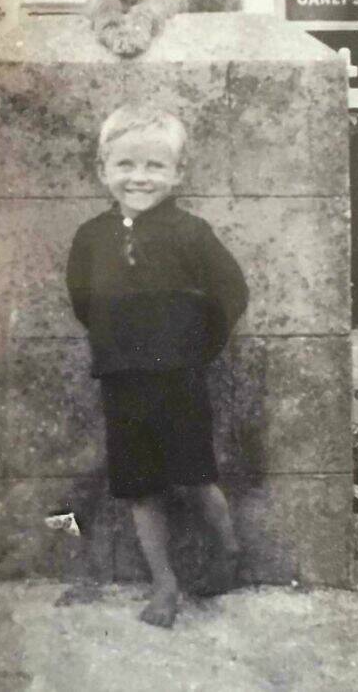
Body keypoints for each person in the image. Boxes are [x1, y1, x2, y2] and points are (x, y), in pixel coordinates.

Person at [66, 104, 249, 628]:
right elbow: (82, 300)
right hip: (122, 381)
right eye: (125, 164)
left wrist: (194, 349)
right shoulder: (91, 237)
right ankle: (164, 585)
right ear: (103, 170)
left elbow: (231, 293)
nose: (139, 177)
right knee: (138, 486)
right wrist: (117, 343)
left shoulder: (192, 234)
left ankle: (228, 550)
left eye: (154, 166)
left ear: (178, 173)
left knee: (195, 478)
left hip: (180, 380)